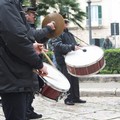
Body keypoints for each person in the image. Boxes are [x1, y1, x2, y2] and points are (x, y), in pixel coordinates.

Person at [0, 0, 55, 120]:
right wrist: (39, 64)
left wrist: (32, 46)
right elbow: (16, 40)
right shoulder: (5, 5)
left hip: (17, 76)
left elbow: (17, 37)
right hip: (13, 76)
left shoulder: (12, 4)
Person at [24, 6, 55, 119]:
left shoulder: (29, 26)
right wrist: (47, 28)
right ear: (26, 15)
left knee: (32, 88)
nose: (34, 16)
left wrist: (47, 34)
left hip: (32, 63)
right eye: (32, 14)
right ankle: (26, 111)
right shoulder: (24, 26)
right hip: (27, 64)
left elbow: (39, 39)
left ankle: (28, 109)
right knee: (28, 88)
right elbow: (34, 35)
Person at [53, 19, 86, 105]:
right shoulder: (57, 34)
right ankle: (68, 99)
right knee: (68, 80)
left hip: (72, 60)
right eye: (65, 22)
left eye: (67, 22)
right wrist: (72, 47)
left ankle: (76, 97)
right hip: (64, 60)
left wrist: (78, 46)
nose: (67, 24)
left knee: (74, 79)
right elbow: (58, 46)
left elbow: (73, 44)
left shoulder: (69, 34)